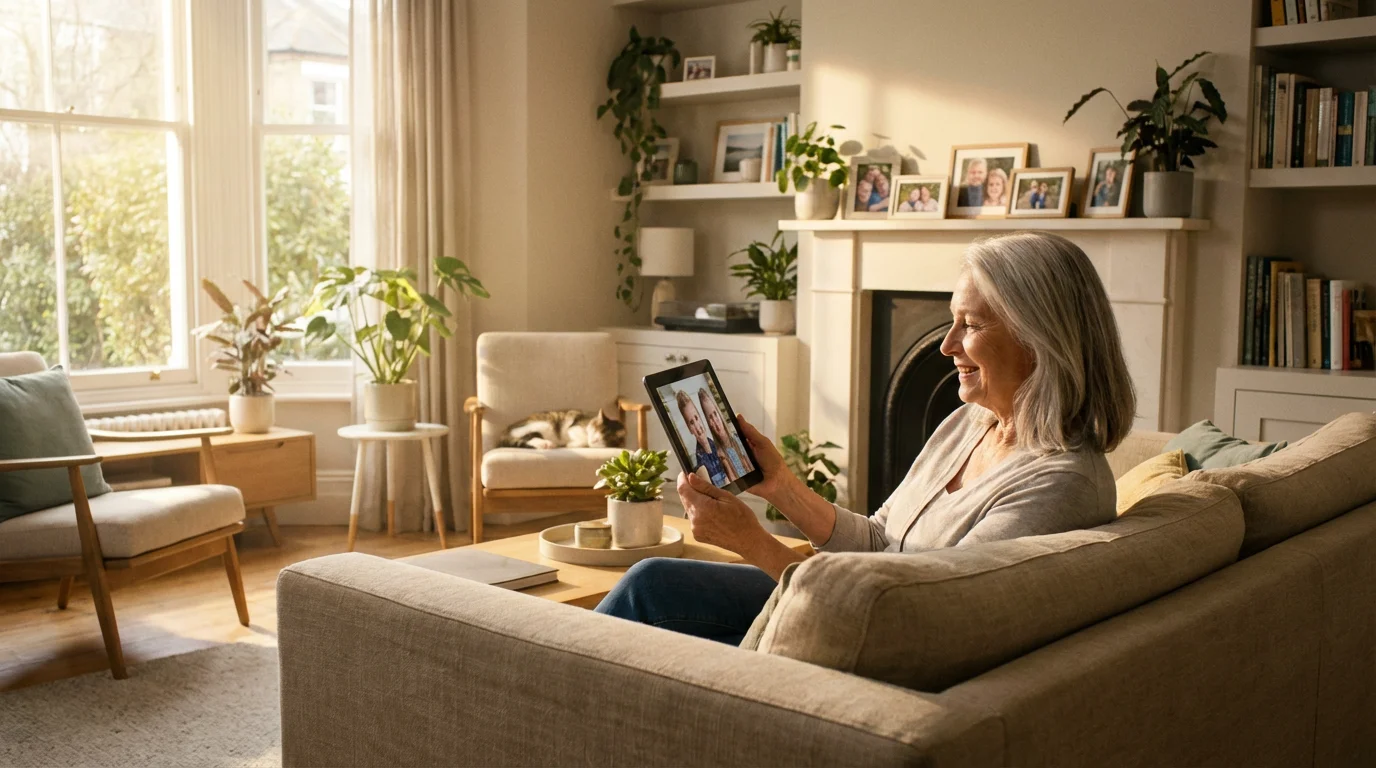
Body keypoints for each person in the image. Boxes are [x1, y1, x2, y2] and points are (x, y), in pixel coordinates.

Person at [597, 232, 1136, 645]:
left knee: (647, 602)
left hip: (862, 641)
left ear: (1040, 336)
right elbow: (882, 540)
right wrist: (782, 487)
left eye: (969, 324)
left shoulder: (1061, 485)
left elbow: (915, 625)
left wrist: (754, 544)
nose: (946, 346)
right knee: (651, 582)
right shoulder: (970, 425)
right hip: (848, 604)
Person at [674, 389, 728, 486]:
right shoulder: (700, 464)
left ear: (701, 417)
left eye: (696, 418)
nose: (698, 427)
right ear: (689, 429)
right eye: (691, 423)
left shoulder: (714, 444)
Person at [699, 388, 749, 482]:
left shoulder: (737, 439)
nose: (715, 421)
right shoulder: (718, 454)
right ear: (707, 423)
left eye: (715, 414)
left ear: (719, 414)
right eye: (710, 417)